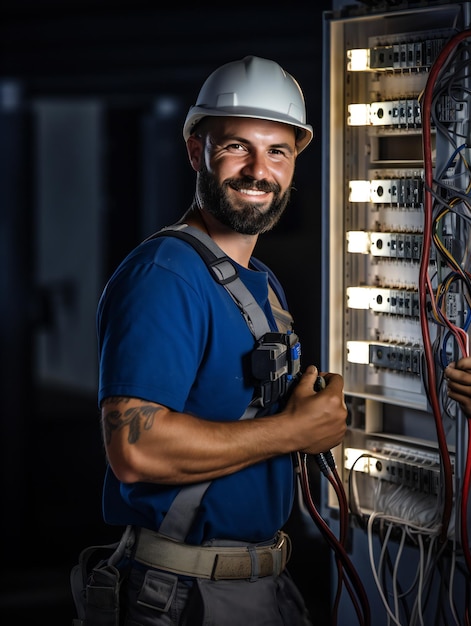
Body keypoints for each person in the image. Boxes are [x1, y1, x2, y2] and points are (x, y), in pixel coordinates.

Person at [96, 55, 347, 625]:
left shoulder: (260, 283)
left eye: (277, 152)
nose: (258, 170)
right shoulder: (166, 274)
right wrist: (292, 430)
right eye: (237, 147)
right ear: (196, 151)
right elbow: (135, 449)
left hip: (261, 581)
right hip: (189, 591)